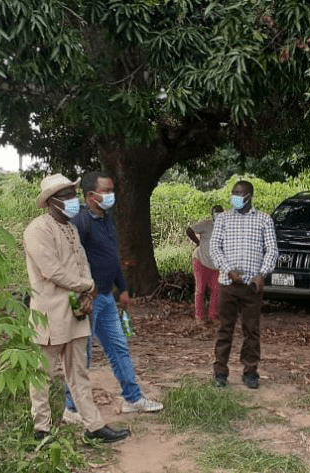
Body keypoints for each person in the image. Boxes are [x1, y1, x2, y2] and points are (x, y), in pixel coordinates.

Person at [23, 173, 129, 443]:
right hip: (50, 313)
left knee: (78, 372)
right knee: (42, 374)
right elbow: (52, 271)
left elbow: (82, 264)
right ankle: (42, 428)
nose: (73, 200)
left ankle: (93, 426)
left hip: (76, 310)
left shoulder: (70, 228)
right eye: (66, 196)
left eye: (73, 194)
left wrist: (87, 291)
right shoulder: (37, 230)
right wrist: (86, 286)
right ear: (51, 202)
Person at [62, 171, 163, 425]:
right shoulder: (79, 222)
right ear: (90, 196)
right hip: (87, 299)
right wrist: (81, 294)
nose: (110, 196)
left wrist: (123, 287)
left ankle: (133, 398)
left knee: (119, 349)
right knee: (80, 355)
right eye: (106, 191)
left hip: (106, 298)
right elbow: (72, 261)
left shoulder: (107, 219)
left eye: (111, 190)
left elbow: (112, 256)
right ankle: (72, 408)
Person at [210, 180, 278, 389]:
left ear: (249, 196)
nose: (235, 197)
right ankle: (220, 371)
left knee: (251, 330)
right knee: (224, 329)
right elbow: (214, 248)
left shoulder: (264, 220)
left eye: (239, 193)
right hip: (228, 283)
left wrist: (261, 274)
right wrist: (228, 270)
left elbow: (272, 250)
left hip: (252, 286)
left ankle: (250, 372)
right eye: (233, 192)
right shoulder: (223, 219)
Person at [186, 205, 224, 323]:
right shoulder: (206, 224)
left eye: (220, 213)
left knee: (216, 289)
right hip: (200, 261)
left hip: (214, 264)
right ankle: (199, 316)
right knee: (201, 289)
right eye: (215, 213)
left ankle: (213, 315)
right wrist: (197, 242)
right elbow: (189, 230)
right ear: (212, 214)